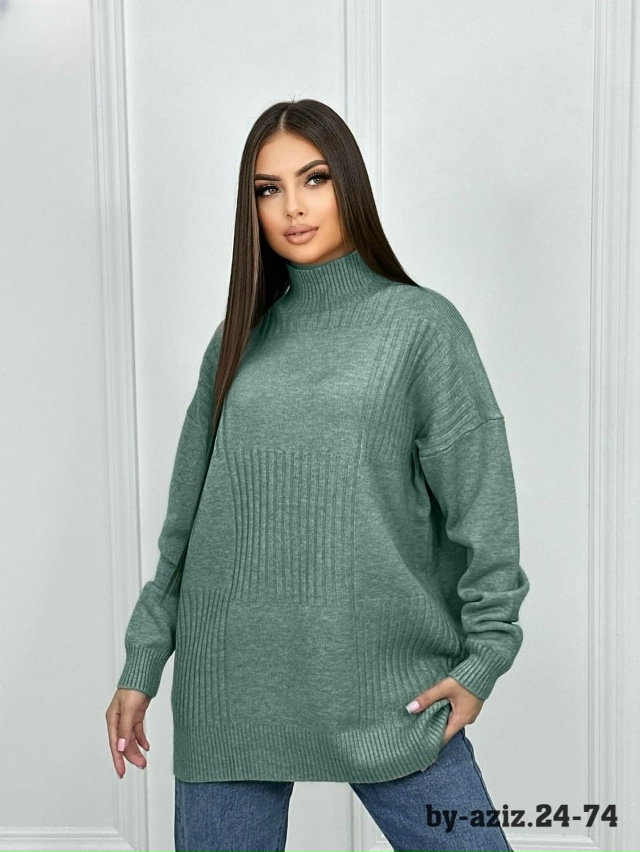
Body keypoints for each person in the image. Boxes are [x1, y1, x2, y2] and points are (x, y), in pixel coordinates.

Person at [105, 98, 530, 852]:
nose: (293, 208)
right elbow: (187, 521)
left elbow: (483, 505)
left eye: (315, 179)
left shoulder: (421, 327)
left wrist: (485, 655)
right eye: (268, 189)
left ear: (349, 185)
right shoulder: (237, 339)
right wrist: (143, 660)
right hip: (230, 687)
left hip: (387, 685)